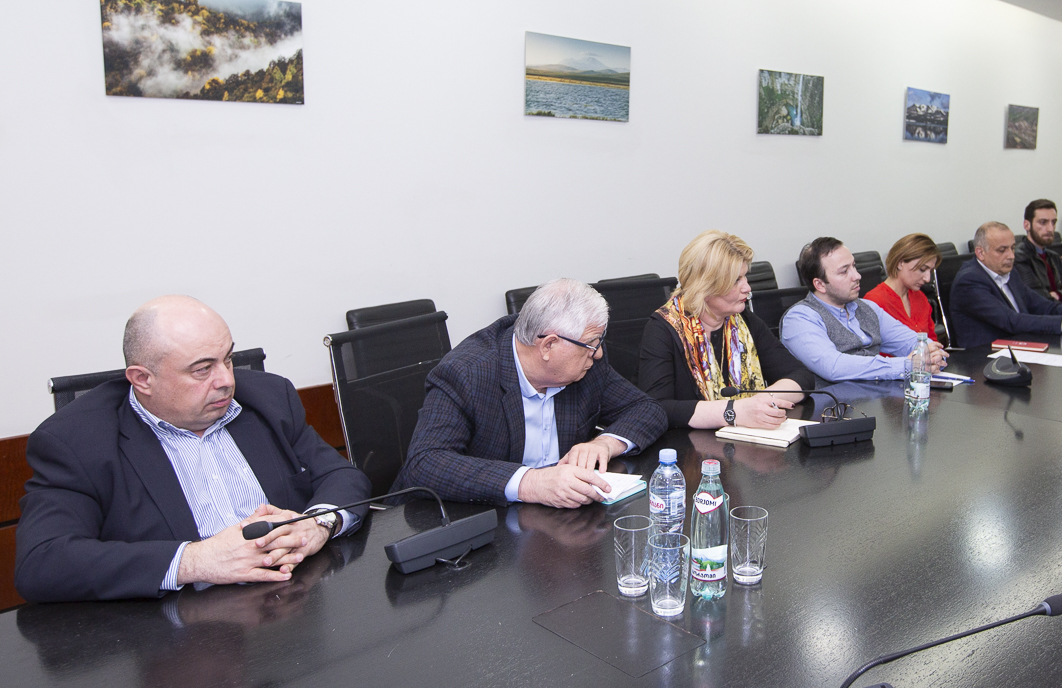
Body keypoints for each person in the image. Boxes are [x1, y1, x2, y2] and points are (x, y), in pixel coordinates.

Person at [15, 296, 372, 603]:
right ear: (143, 379)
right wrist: (196, 561)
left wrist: (318, 524)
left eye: (228, 359)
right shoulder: (76, 441)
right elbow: (42, 561)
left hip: (293, 606)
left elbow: (342, 476)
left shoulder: (268, 398)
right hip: (179, 631)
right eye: (202, 369)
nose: (227, 380)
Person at [393, 279, 667, 509]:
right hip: (475, 523)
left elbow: (647, 408)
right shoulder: (466, 373)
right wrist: (531, 483)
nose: (598, 354)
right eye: (591, 344)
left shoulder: (585, 365)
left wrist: (604, 443)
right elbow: (424, 463)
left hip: (558, 522)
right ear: (548, 346)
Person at [638, 230, 813, 430]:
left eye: (745, 277)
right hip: (687, 444)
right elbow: (658, 407)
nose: (747, 288)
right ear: (705, 286)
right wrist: (735, 411)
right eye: (736, 280)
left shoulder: (742, 320)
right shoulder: (662, 329)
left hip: (747, 439)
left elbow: (801, 376)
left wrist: (761, 402)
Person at [784, 236, 947, 383]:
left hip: (878, 397)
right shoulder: (799, 318)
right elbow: (834, 367)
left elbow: (911, 341)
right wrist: (907, 365)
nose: (857, 276)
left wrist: (932, 355)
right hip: (835, 404)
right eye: (844, 271)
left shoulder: (867, 307)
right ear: (820, 284)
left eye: (854, 266)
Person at [948, 222, 1062, 348]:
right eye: (1002, 250)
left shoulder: (1009, 272)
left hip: (1020, 347)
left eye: (1012, 248)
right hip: (984, 358)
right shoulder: (969, 281)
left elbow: (1043, 305)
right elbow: (1011, 321)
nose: (1011, 256)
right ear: (980, 253)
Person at [864, 233, 940, 340]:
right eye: (922, 269)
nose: (927, 279)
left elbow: (932, 340)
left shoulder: (920, 297)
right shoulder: (874, 302)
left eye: (930, 271)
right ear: (900, 263)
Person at [1014, 199, 1062, 308]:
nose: (1050, 229)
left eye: (1053, 222)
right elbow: (1038, 301)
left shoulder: (1054, 258)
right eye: (1043, 222)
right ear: (1027, 225)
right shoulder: (1019, 257)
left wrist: (1058, 295)